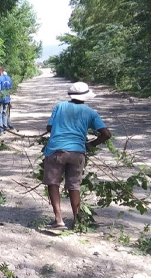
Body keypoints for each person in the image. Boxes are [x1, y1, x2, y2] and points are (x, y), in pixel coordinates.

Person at [43, 82, 111, 229]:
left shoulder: (59, 106)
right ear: (86, 96)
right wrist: (91, 144)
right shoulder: (91, 112)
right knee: (74, 186)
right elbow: (106, 134)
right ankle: (78, 220)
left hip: (56, 150)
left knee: (53, 183)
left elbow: (49, 127)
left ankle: (59, 219)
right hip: (77, 152)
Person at [0, 65, 14, 135]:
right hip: (7, 99)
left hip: (0, 99)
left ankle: (0, 130)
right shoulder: (8, 78)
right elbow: (9, 88)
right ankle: (5, 128)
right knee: (4, 113)